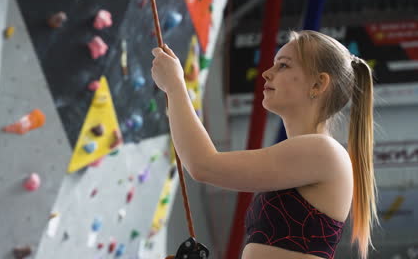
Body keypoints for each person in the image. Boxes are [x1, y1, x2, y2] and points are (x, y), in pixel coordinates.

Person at [151, 30, 378, 259]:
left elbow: (203, 165)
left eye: (283, 66)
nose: (267, 73)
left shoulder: (324, 151)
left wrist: (175, 86)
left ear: (319, 84)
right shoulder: (314, 154)